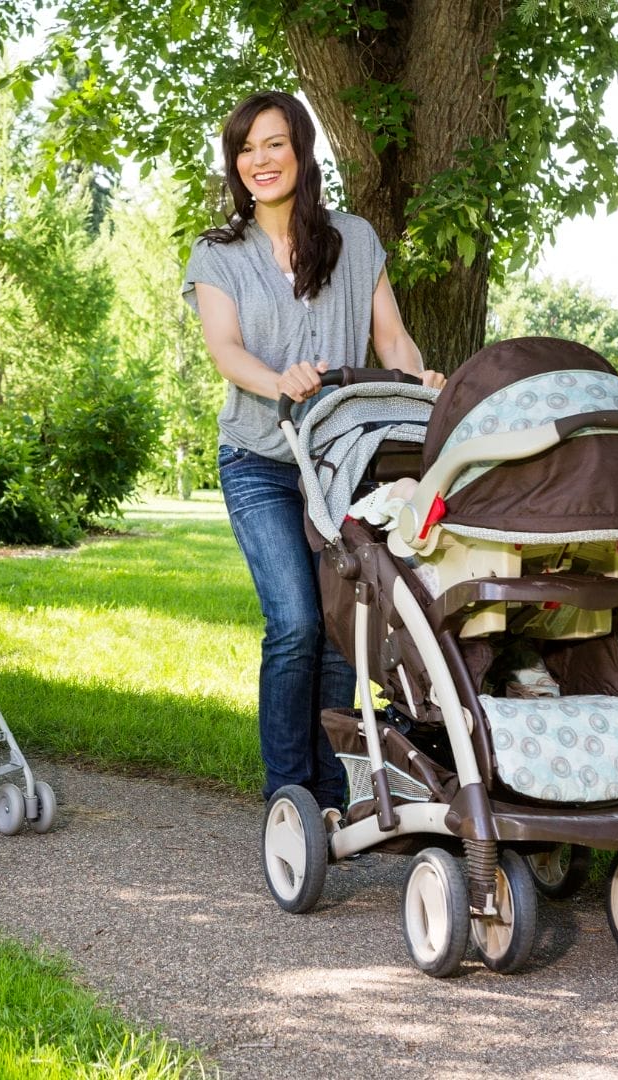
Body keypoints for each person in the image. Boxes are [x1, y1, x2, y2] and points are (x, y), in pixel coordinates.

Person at [181, 90, 446, 808]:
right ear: (234, 163)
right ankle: (288, 795)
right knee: (295, 621)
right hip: (261, 460)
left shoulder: (354, 238)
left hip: (341, 464)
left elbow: (389, 336)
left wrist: (417, 376)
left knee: (338, 633)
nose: (259, 160)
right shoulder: (219, 253)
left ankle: (333, 798)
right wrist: (280, 380)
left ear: (301, 150)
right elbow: (225, 350)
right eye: (245, 148)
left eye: (273, 144)